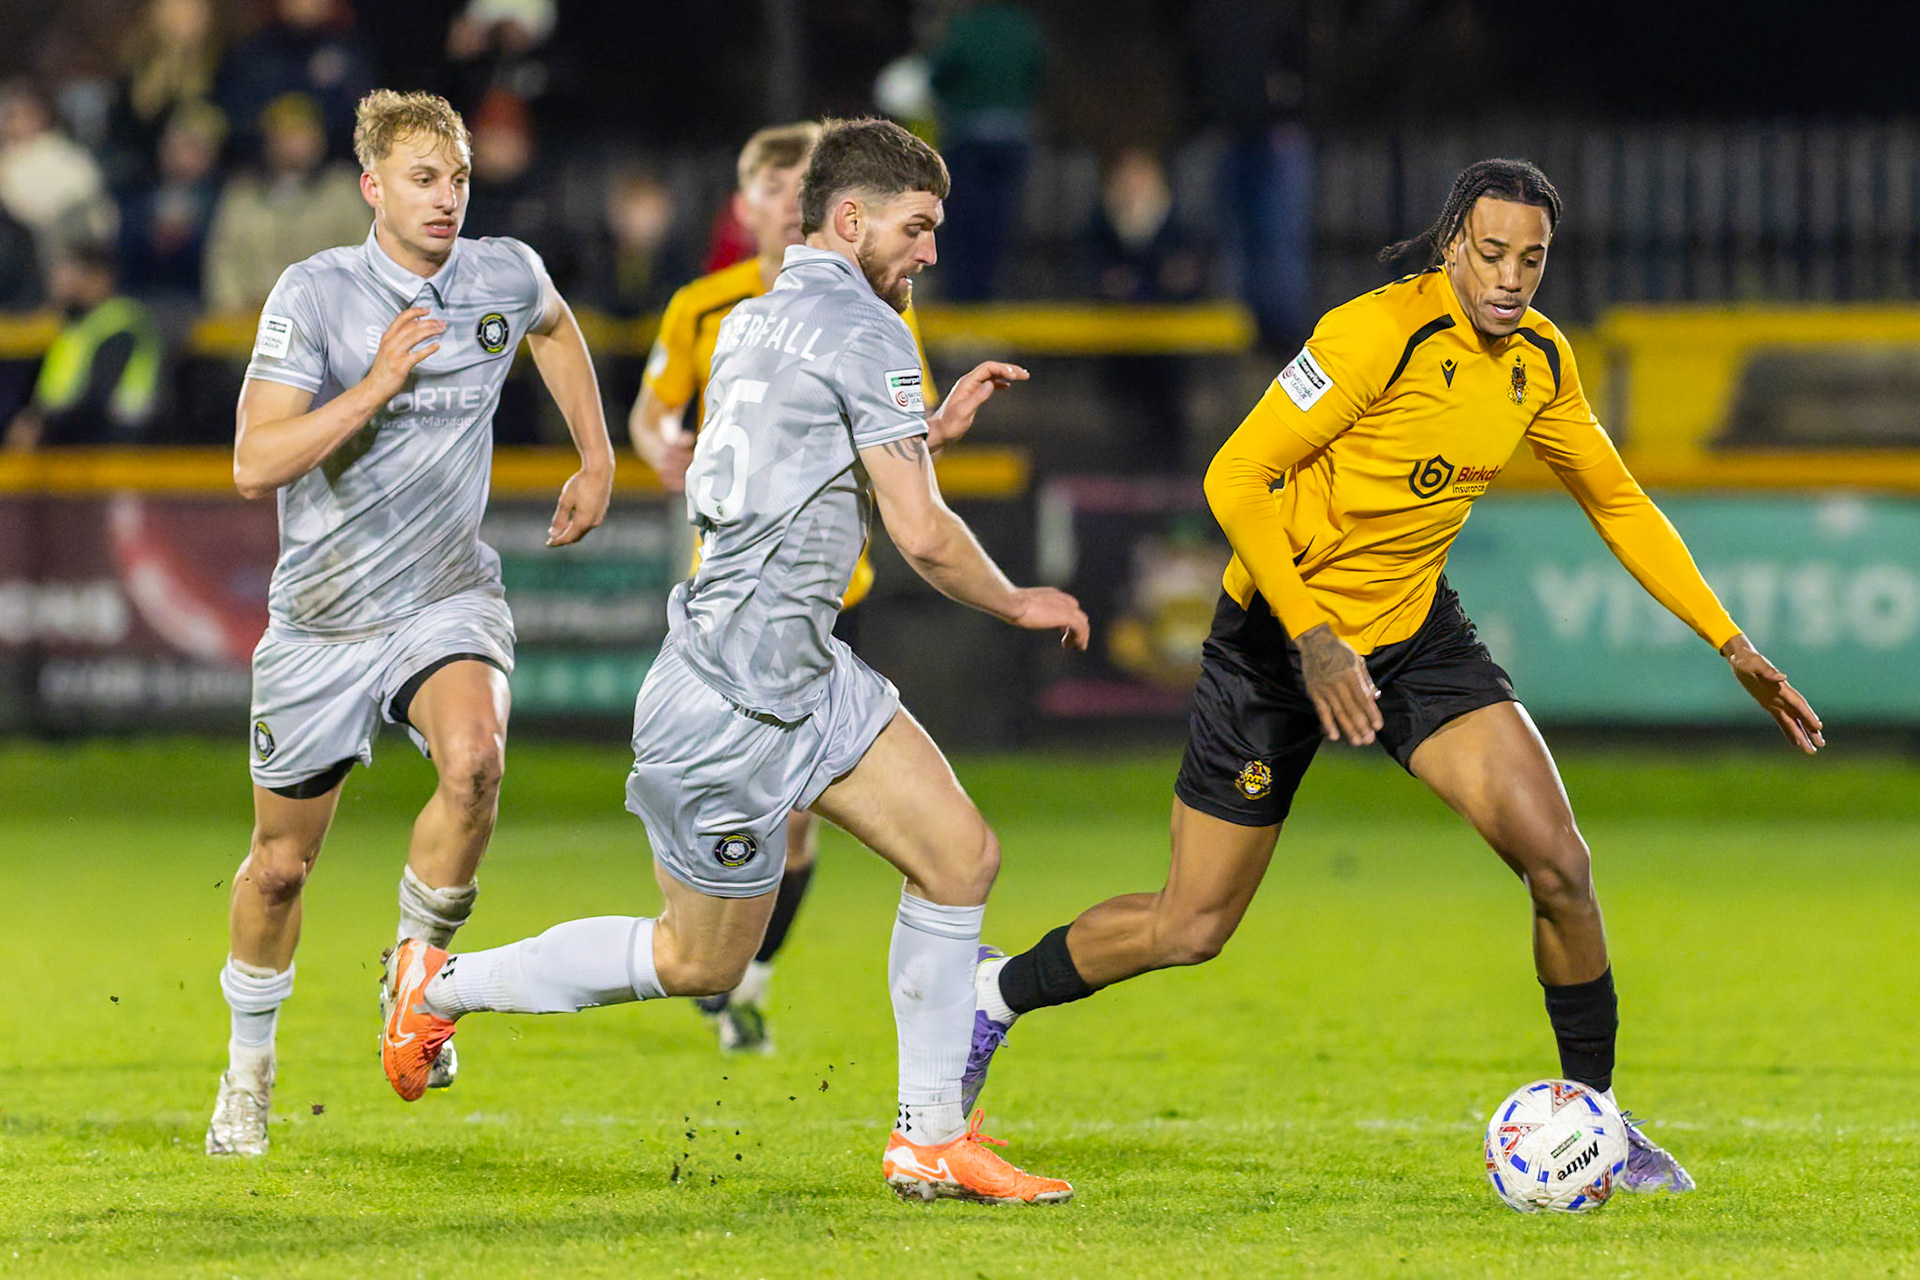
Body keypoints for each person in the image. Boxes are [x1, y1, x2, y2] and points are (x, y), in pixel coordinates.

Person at [963, 159, 1825, 1194]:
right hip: (1278, 639)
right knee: (1191, 925)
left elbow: (1620, 503)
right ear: (1453, 239)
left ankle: (1597, 1118)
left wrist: (1732, 642)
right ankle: (993, 996)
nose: (1511, 277)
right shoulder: (1374, 333)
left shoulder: (1540, 362)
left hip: (1416, 635)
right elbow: (1236, 473)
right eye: (1493, 252)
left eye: (1533, 259)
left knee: (1559, 864)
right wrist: (1316, 632)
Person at [383, 117, 1086, 1205]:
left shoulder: (758, 316)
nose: (931, 252)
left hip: (802, 673)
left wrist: (922, 432)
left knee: (961, 858)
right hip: (729, 701)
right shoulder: (863, 331)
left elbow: (794, 450)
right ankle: (441, 985)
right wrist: (1018, 596)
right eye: (918, 227)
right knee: (698, 960)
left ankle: (929, 1136)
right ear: (850, 220)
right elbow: (926, 535)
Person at [204, 89, 614, 1157]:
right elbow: (255, 461)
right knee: (282, 864)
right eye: (423, 179)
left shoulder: (502, 273)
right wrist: (378, 382)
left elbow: (555, 323)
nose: (445, 198)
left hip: (444, 597)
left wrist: (597, 456)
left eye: (459, 178)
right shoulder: (319, 293)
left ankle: (416, 980)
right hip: (322, 621)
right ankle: (249, 1066)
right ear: (372, 186)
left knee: (476, 761)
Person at [629, 121, 937, 1055]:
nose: (778, 201)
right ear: (748, 203)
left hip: (830, 590)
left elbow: (899, 439)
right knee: (741, 831)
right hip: (731, 591)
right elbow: (651, 415)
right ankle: (707, 959)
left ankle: (739, 976)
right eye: (768, 186)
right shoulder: (709, 307)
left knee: (802, 820)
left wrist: (941, 426)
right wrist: (661, 450)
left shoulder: (881, 312)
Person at [202, 92, 369, 313]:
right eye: (281, 135)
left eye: (300, 134)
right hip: (249, 324)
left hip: (328, 320)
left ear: (319, 138)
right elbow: (222, 260)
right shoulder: (242, 194)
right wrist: (233, 307)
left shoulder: (342, 192)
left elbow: (363, 257)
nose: (291, 144)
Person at [4, 241, 164, 449]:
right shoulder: (77, 324)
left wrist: (43, 425)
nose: (60, 279)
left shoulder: (119, 323)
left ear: (98, 278)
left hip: (115, 447)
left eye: (71, 272)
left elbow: (96, 399)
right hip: (75, 445)